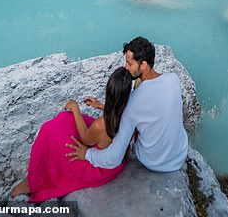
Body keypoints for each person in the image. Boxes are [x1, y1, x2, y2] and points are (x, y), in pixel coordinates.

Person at [10, 66, 132, 202]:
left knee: (51, 133)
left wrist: (75, 108)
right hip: (112, 155)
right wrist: (101, 106)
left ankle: (33, 182)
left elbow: (86, 139)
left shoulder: (100, 124)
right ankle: (37, 174)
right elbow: (116, 113)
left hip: (97, 166)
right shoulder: (129, 110)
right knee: (64, 120)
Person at [66, 37, 188, 172]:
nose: (126, 67)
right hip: (179, 154)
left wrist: (87, 154)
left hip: (154, 162)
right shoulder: (173, 79)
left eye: (129, 63)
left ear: (144, 65)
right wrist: (102, 106)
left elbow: (113, 158)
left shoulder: (133, 103)